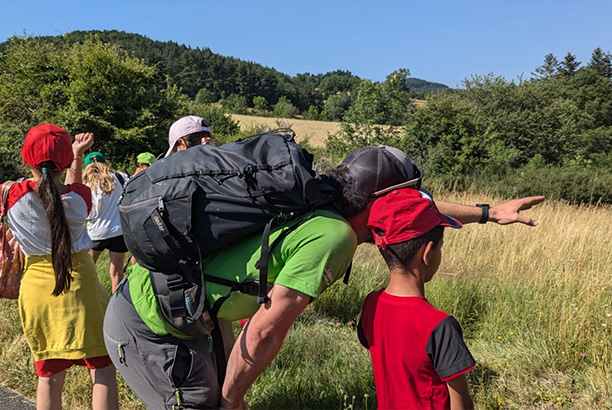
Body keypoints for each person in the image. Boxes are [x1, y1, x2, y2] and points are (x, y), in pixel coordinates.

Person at [103, 144, 544, 409]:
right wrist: (232, 398)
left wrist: (488, 213)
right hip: (152, 326)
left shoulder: (319, 196)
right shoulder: (333, 237)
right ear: (378, 203)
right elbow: (261, 333)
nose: (407, 211)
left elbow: (411, 209)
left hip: (178, 309)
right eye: (403, 200)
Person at [5, 124, 118, 409]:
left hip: (37, 292)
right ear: (65, 162)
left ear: (25, 158)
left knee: (48, 375)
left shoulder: (11, 195)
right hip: (81, 287)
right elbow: (66, 189)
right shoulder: (80, 196)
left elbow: (46, 192)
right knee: (102, 367)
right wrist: (78, 157)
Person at [358, 188, 476, 410]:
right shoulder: (440, 326)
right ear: (428, 253)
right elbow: (461, 404)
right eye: (441, 248)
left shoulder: (371, 305)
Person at [82, 151, 129, 293]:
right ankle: (115, 304)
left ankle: (88, 297)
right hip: (118, 231)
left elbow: (90, 214)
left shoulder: (88, 185)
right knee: (116, 274)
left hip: (97, 233)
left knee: (86, 271)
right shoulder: (119, 178)